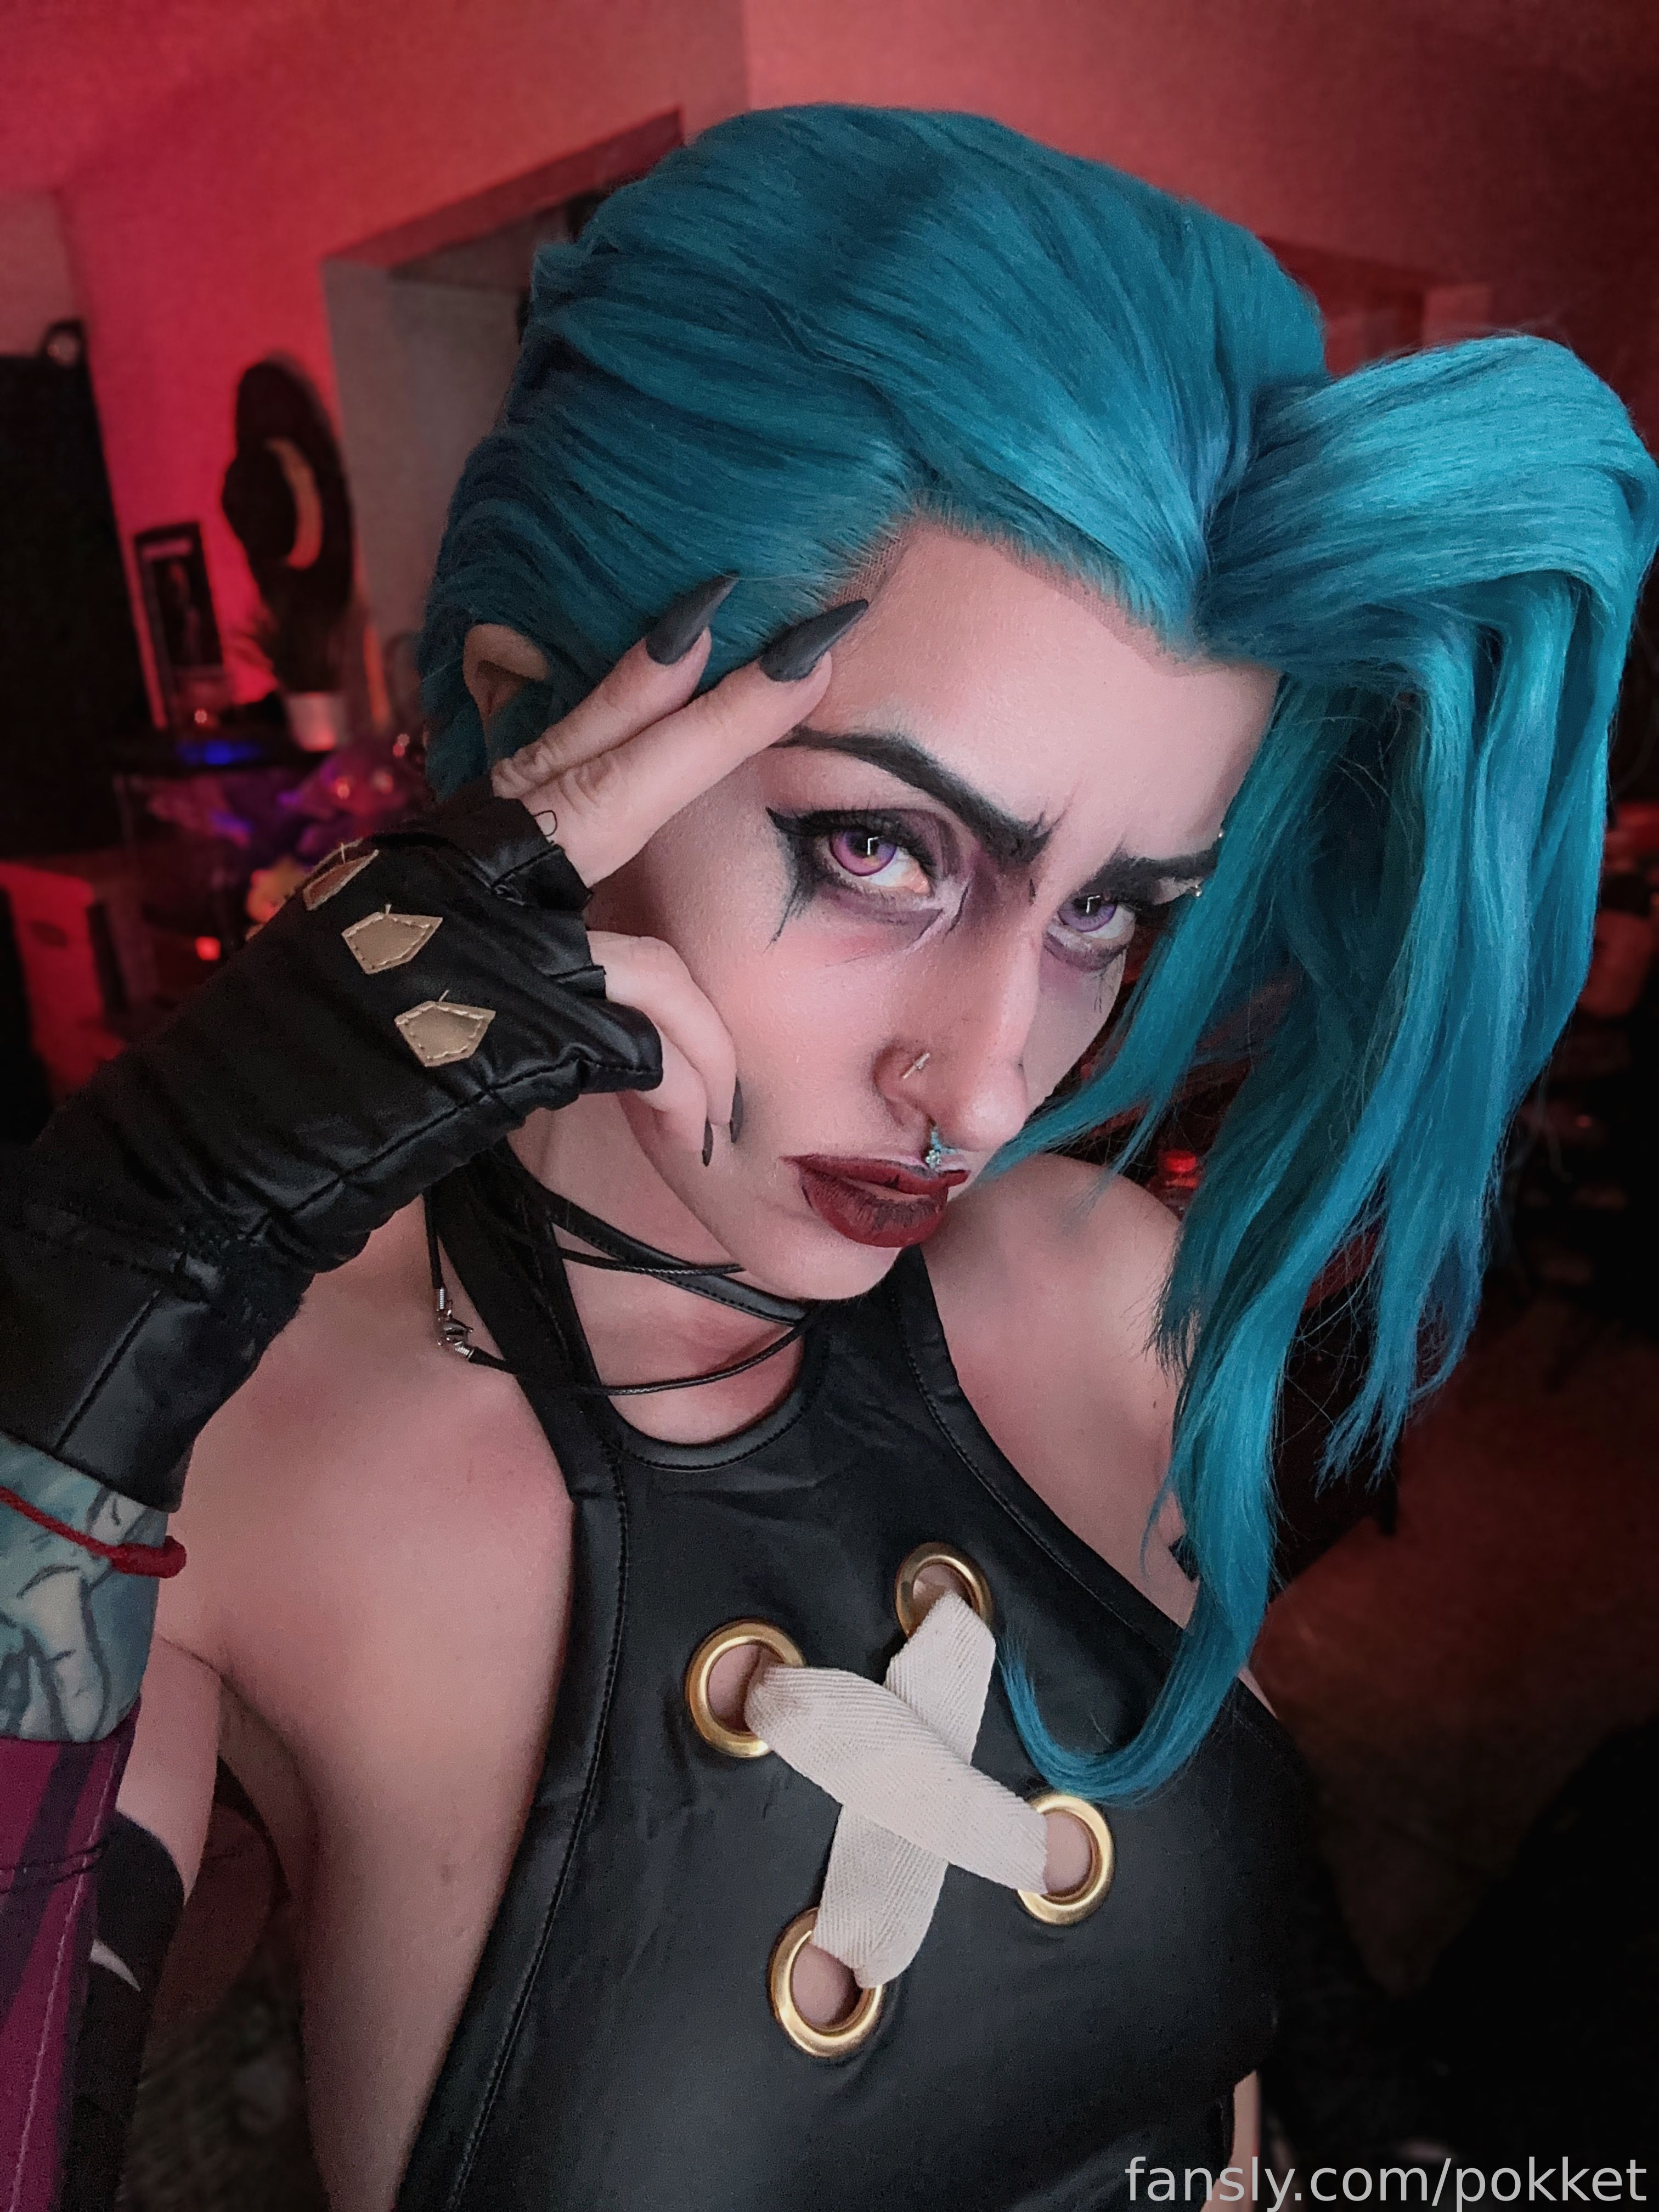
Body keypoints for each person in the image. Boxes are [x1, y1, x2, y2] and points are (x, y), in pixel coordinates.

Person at [2, 105, 1654, 2212]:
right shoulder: (236, 1473)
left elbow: (1202, 1938)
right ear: (531, 728)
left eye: (1109, 912)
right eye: (878, 847)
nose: (989, 1085)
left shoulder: (1100, 1298)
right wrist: (108, 1272)